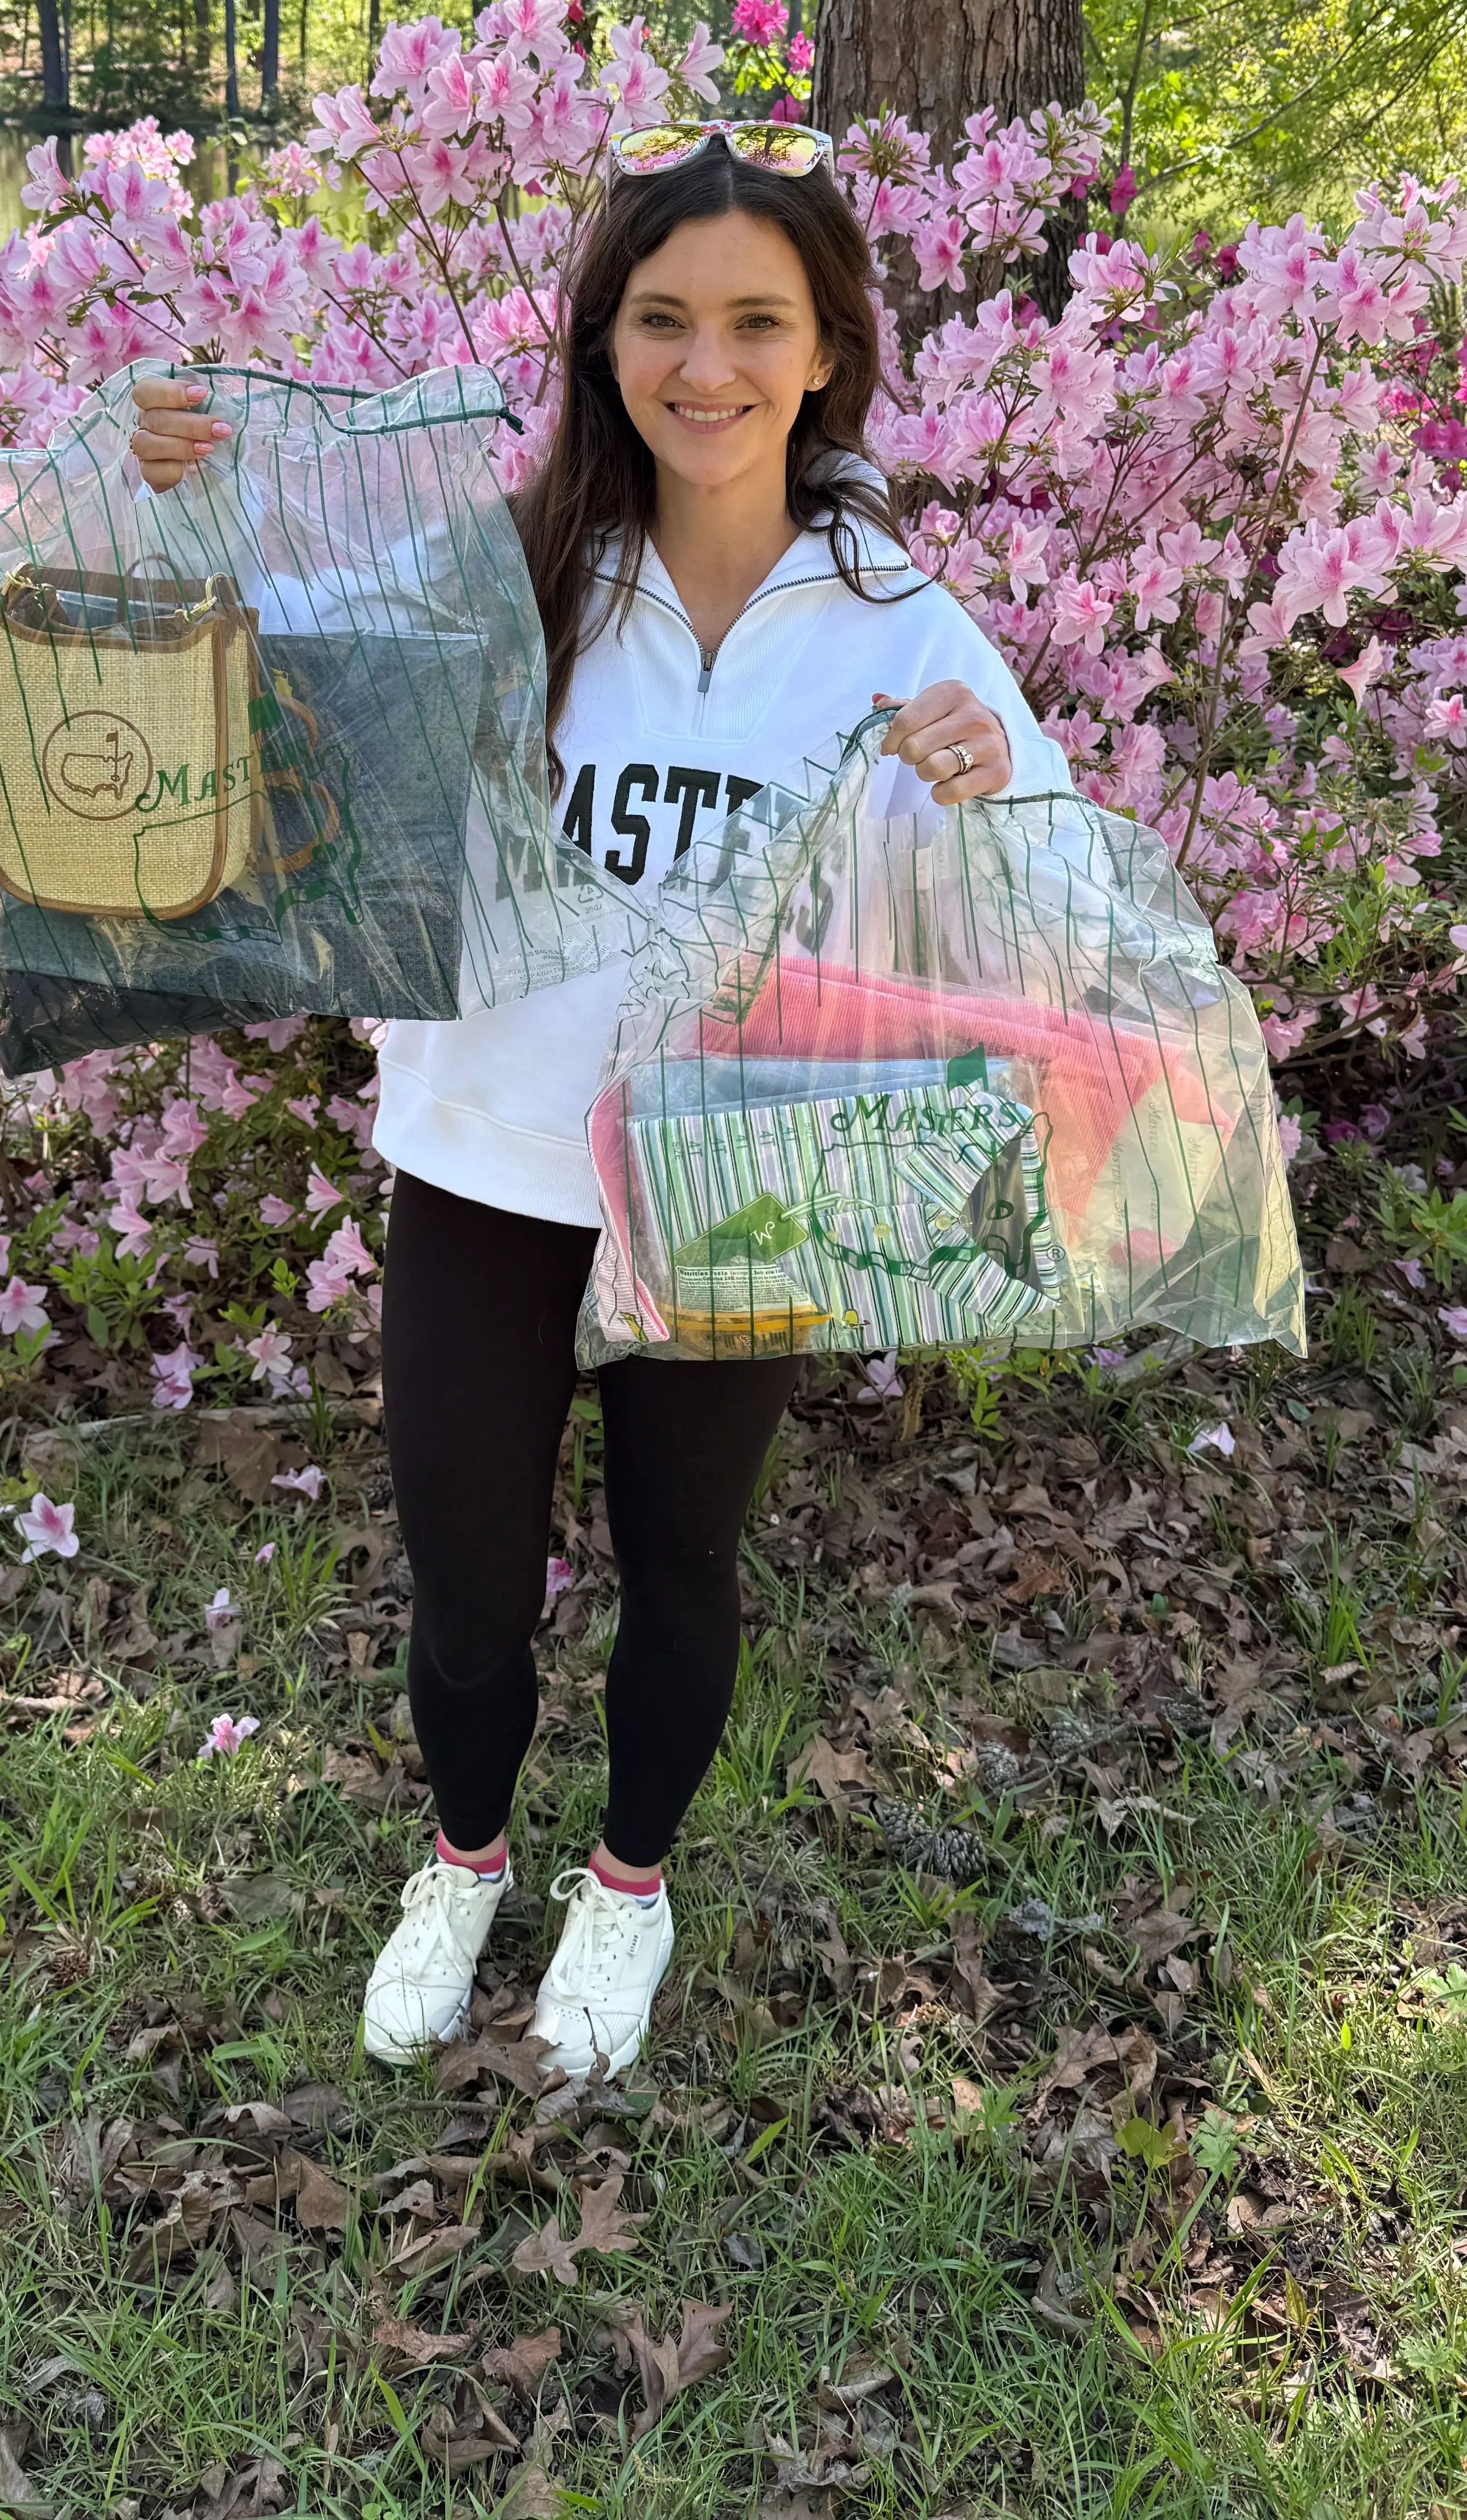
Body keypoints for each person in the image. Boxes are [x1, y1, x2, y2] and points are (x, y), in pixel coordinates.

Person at [129, 118, 1071, 2082]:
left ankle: (625, 1889)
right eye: (661, 319)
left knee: (682, 1565)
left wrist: (1000, 789)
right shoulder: (516, 572)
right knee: (470, 1586)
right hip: (482, 1163)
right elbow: (259, 665)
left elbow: (1043, 908)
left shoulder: (902, 624)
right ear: (605, 342)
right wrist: (180, 506)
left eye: (755, 321)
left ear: (825, 351)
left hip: (731, 1184)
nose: (704, 366)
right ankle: (465, 1862)